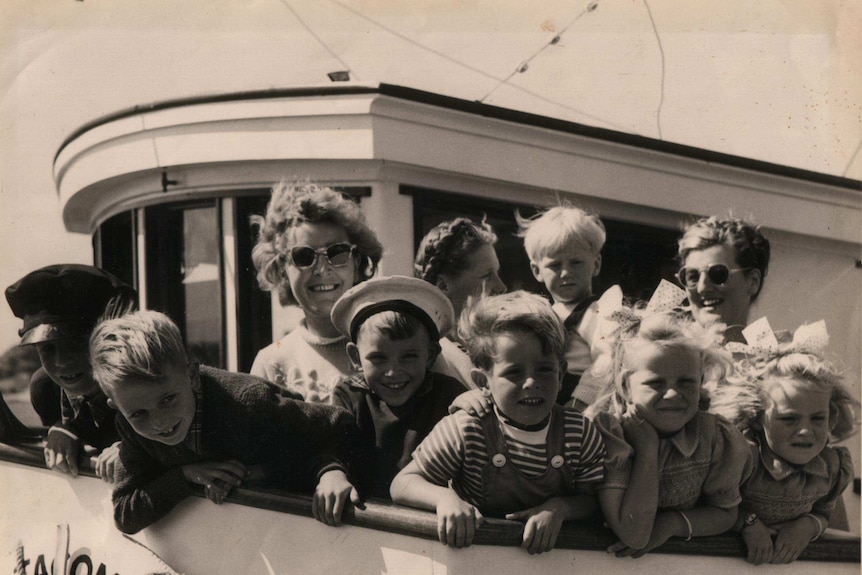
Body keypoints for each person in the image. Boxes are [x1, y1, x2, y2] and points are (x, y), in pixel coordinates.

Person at [90, 310, 361, 534]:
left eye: (168, 399)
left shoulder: (248, 404)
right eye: (138, 414)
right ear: (117, 407)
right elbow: (125, 513)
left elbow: (340, 425)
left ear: (192, 375)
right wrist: (187, 476)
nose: (159, 422)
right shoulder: (129, 425)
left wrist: (330, 470)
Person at [390, 291, 606, 554]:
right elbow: (403, 484)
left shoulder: (580, 432)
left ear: (561, 373)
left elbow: (591, 499)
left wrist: (559, 508)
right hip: (473, 560)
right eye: (513, 372)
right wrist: (445, 499)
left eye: (544, 370)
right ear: (483, 382)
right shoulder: (467, 428)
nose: (531, 382)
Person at [585, 310, 750, 557]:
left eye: (686, 382)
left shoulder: (715, 436)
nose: (672, 395)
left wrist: (673, 524)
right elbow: (635, 534)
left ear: (701, 381)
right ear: (625, 386)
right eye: (655, 383)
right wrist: (647, 450)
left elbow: (725, 512)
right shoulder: (609, 436)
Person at [710, 320, 858, 564]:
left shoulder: (830, 466)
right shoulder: (741, 457)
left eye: (818, 418)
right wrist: (747, 523)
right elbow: (710, 504)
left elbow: (822, 514)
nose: (805, 431)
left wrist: (807, 526)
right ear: (756, 418)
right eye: (789, 418)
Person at [324, 276, 466, 513]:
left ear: (430, 354)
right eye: (378, 358)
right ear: (355, 356)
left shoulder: (450, 395)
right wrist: (332, 472)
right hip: (365, 525)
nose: (393, 372)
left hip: (435, 525)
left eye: (409, 356)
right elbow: (330, 446)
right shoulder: (349, 396)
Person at [250, 181, 383, 403]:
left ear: (357, 263)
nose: (322, 269)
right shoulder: (272, 365)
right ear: (283, 270)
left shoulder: (393, 344)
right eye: (304, 256)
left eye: (337, 252)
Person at [4, 264, 137, 482]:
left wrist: (135, 449)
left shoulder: (143, 385)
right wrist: (61, 428)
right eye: (47, 349)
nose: (62, 361)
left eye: (76, 343)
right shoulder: (46, 388)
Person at [517, 205, 610, 407]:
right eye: (555, 265)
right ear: (537, 270)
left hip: (580, 399)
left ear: (596, 264)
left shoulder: (598, 312)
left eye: (576, 262)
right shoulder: (544, 313)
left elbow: (607, 359)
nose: (566, 273)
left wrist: (581, 401)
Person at [414, 217, 507, 387]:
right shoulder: (430, 357)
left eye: (497, 273)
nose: (501, 287)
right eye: (486, 276)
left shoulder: (499, 344)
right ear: (443, 285)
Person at [677, 216, 770, 343]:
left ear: (753, 281)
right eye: (693, 277)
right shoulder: (666, 354)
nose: (702, 288)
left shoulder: (773, 357)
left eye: (718, 274)